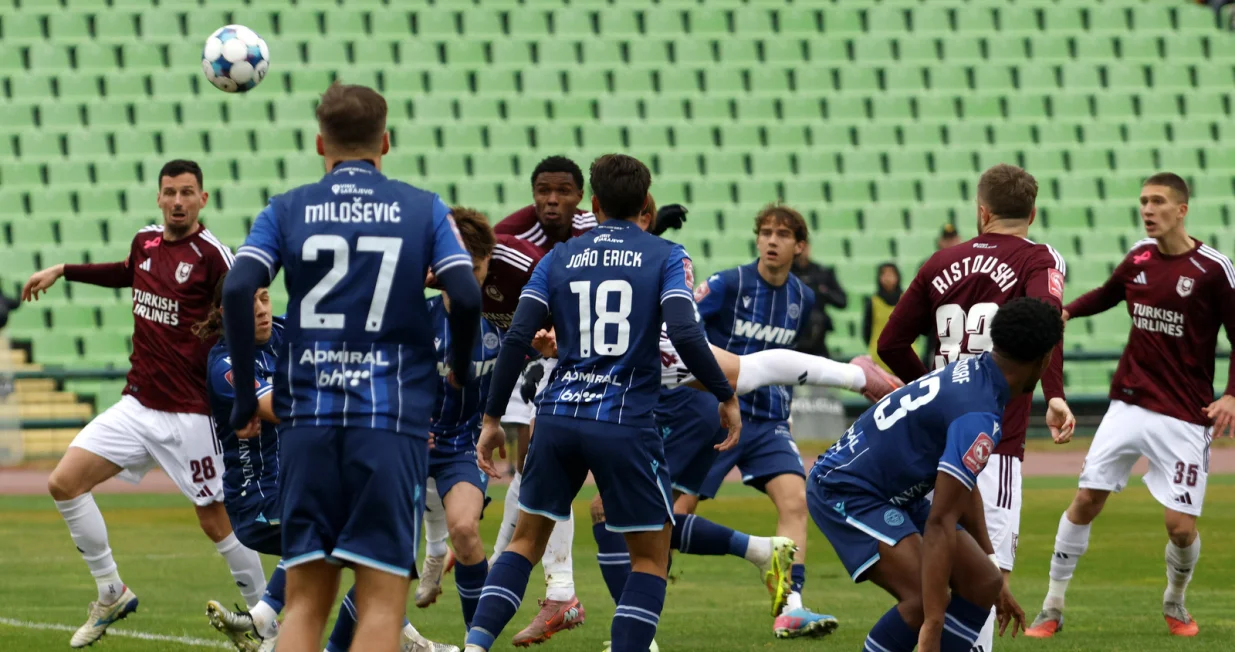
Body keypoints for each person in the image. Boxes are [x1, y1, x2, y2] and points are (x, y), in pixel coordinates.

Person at [220, 82, 481, 652]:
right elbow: (464, 288)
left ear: (320, 144)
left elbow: (240, 285)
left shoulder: (287, 208)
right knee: (381, 604)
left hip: (308, 422)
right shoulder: (422, 207)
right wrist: (459, 365)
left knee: (307, 602)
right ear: (385, 141)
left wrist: (244, 401)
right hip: (388, 424)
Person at [463, 154, 741, 652]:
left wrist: (490, 416)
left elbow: (518, 335)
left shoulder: (559, 256)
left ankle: (474, 646)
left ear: (593, 203)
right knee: (651, 559)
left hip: (559, 416)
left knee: (525, 543)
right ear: (644, 207)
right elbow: (682, 329)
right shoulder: (667, 255)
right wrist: (724, 394)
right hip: (624, 421)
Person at [24, 159, 267, 648]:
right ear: (159, 197)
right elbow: (125, 273)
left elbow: (247, 316)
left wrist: (245, 398)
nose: (178, 200)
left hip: (191, 414)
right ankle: (111, 590)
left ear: (203, 198)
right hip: (137, 405)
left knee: (215, 520)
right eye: (170, 192)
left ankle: (268, 624)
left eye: (187, 192)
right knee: (64, 483)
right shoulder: (145, 242)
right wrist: (64, 270)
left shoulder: (214, 256)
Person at [1025, 173, 1235, 639]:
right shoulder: (1139, 255)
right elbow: (1108, 293)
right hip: (1128, 403)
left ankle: (1175, 601)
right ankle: (1051, 606)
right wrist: (1069, 311)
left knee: (1180, 528)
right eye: (1143, 201)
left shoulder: (1213, 269)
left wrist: (1232, 396)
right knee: (1085, 500)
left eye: (1158, 201)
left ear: (1182, 210)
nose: (1148, 209)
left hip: (1185, 414)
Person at [877, 163, 1075, 652]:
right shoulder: (1039, 259)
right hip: (995, 440)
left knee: (943, 573)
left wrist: (934, 390)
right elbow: (1046, 326)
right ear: (1032, 212)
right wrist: (1054, 395)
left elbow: (891, 341)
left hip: (934, 443)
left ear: (981, 211)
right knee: (986, 580)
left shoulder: (939, 262)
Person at [198, 281, 457, 652]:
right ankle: (267, 616)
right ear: (224, 313)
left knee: (377, 544)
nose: (260, 309)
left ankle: (271, 619)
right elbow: (281, 408)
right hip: (258, 501)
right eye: (247, 303)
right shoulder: (225, 362)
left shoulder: (290, 332)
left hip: (306, 485)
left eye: (264, 297)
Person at [810, 297, 1062, 652]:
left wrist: (990, 559)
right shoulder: (979, 414)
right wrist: (933, 623)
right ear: (1045, 358)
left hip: (894, 488)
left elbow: (962, 485)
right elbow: (941, 520)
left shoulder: (978, 372)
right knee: (921, 602)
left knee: (985, 582)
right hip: (845, 487)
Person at [676, 204, 839, 639]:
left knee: (795, 503)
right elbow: (682, 327)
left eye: (782, 235)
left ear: (799, 247)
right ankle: (643, 600)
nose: (771, 240)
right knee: (674, 517)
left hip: (769, 420)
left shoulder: (803, 298)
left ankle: (791, 606)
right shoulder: (729, 283)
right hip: (716, 414)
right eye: (765, 232)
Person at [484, 155, 597, 643]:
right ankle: (544, 583)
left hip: (585, 359)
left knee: (546, 472)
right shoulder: (513, 238)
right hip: (539, 358)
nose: (553, 200)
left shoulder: (592, 230)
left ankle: (552, 586)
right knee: (537, 470)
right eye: (544, 191)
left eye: (564, 191)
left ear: (580, 195)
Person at [791, 240, 847, 360]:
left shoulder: (822, 272)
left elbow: (842, 302)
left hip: (818, 338)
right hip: (792, 336)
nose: (802, 251)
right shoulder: (786, 274)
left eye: (804, 247)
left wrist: (824, 292)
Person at [863, 262, 908, 373]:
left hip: (905, 358)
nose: (888, 278)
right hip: (879, 361)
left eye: (891, 274)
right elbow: (866, 331)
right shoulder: (873, 302)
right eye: (884, 274)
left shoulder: (908, 300)